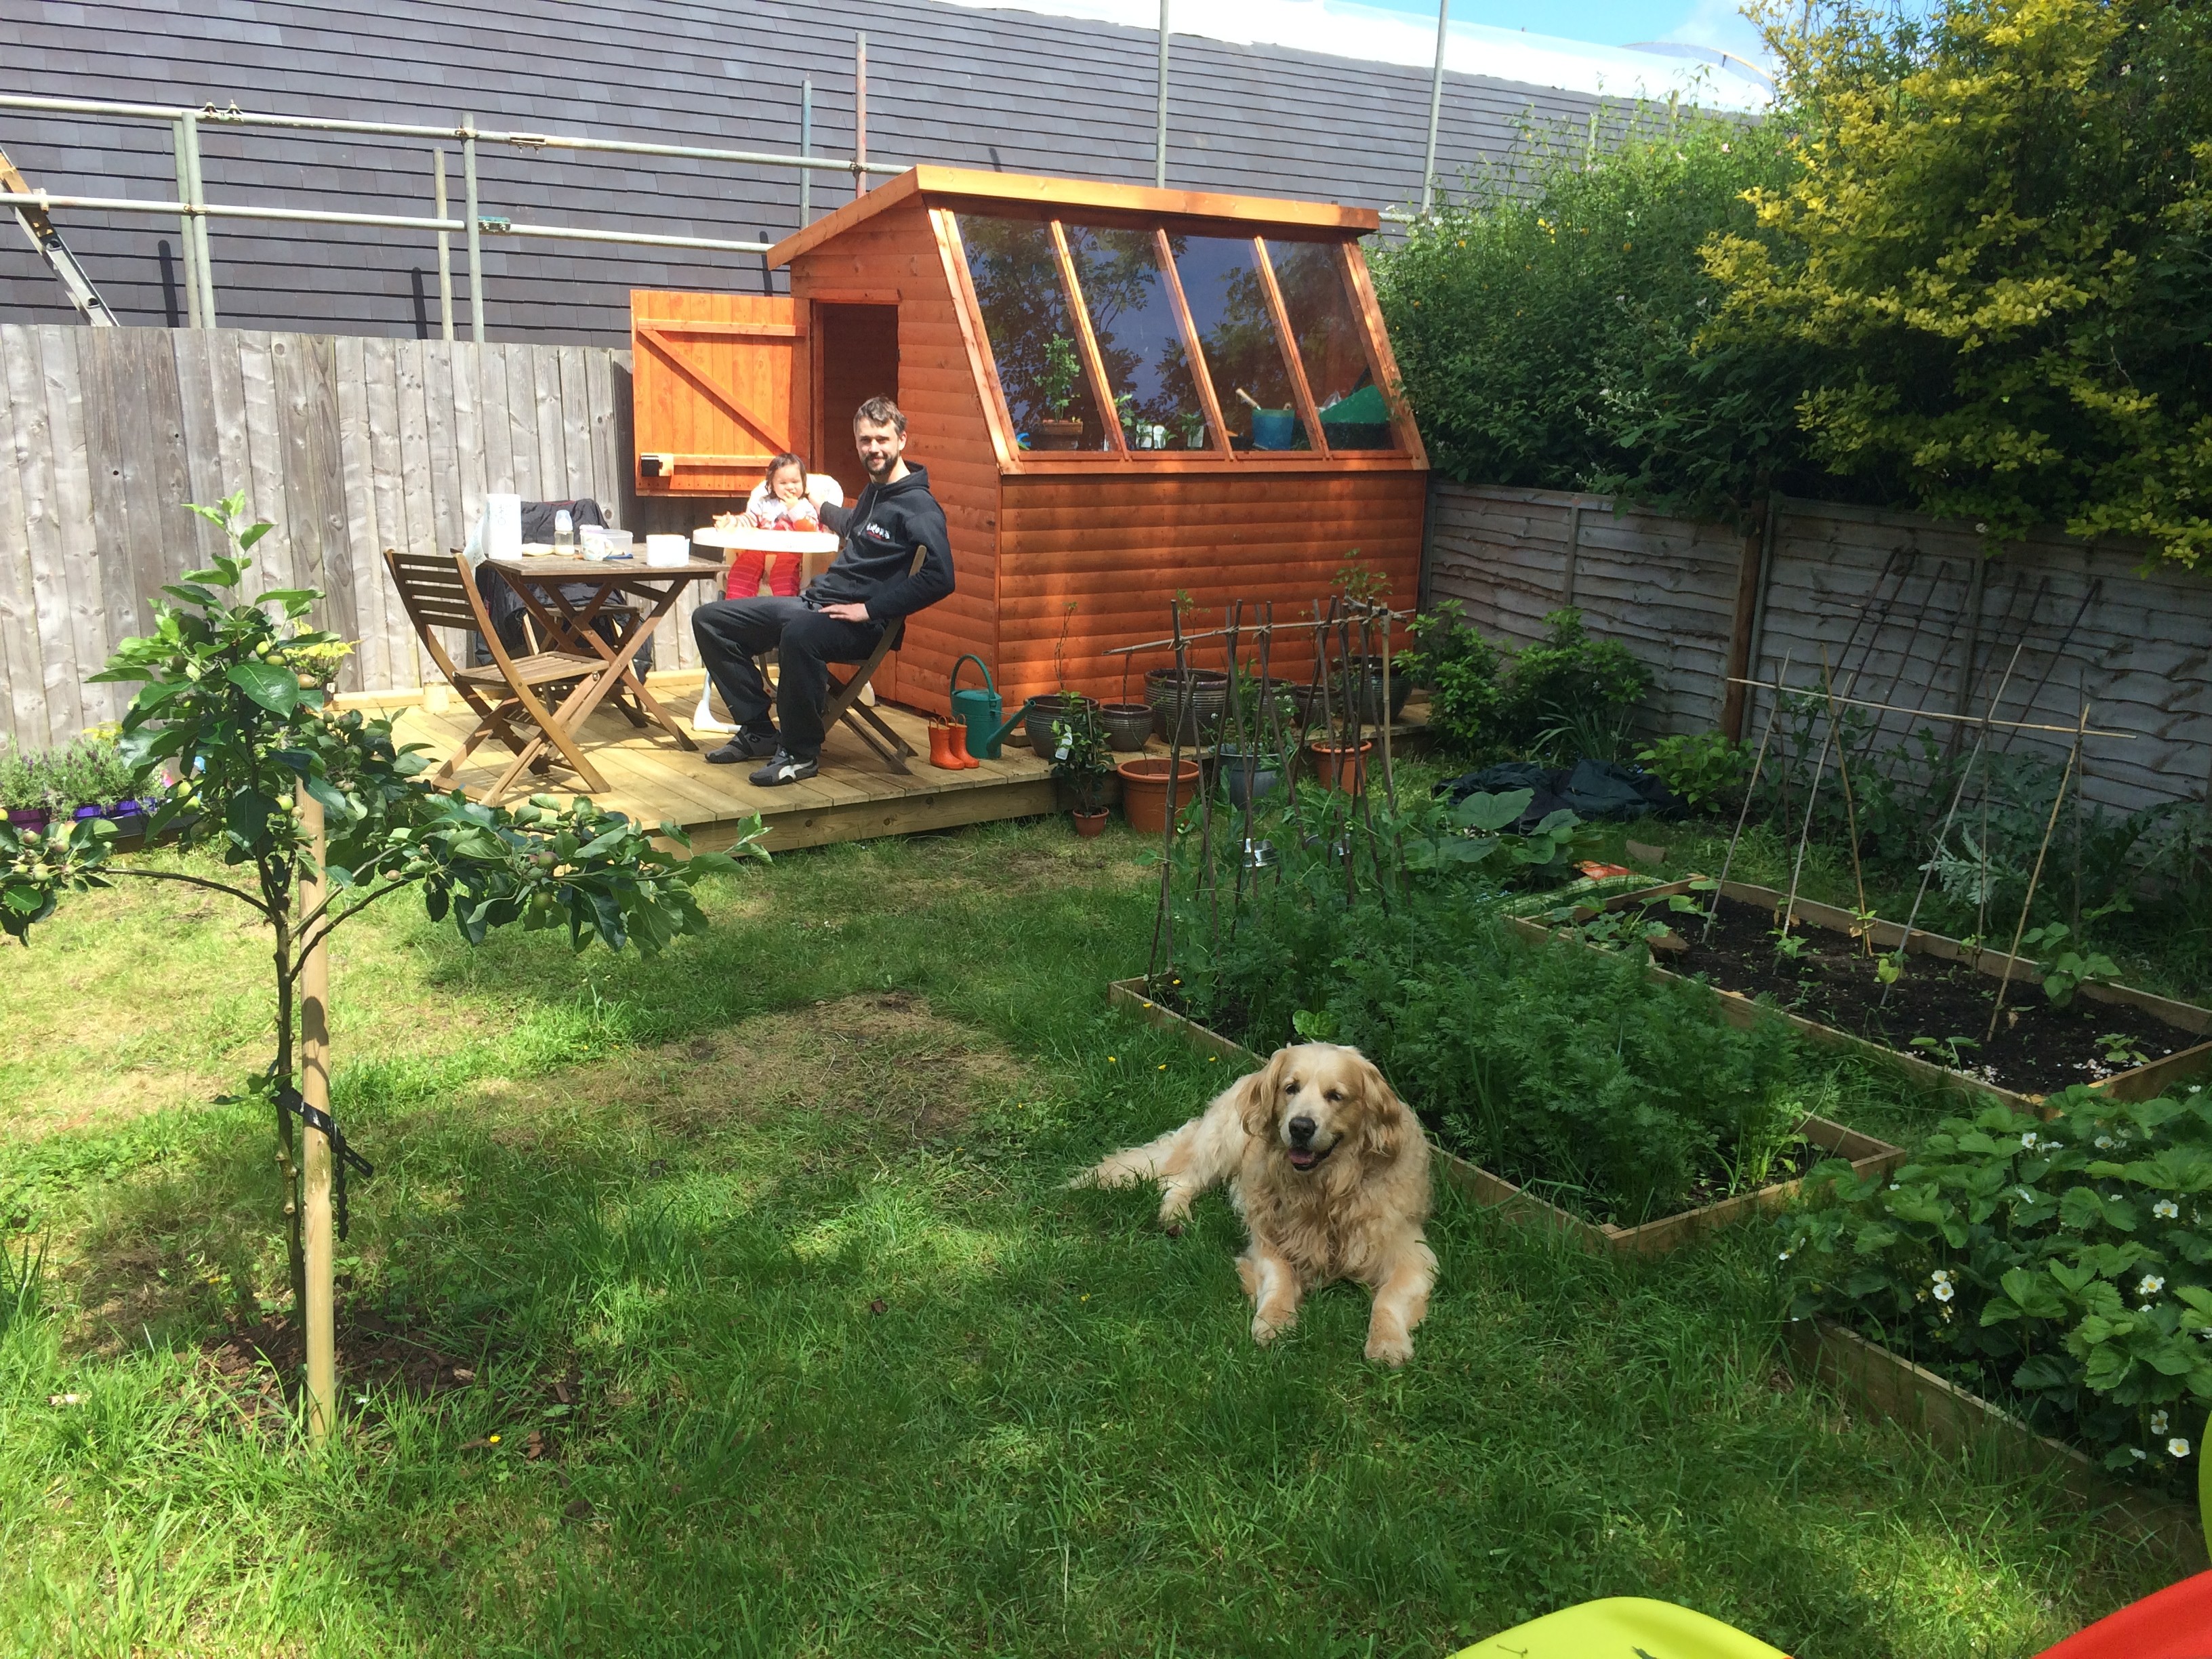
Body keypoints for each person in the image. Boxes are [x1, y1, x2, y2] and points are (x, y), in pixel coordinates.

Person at [691, 396, 954, 786]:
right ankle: (759, 731)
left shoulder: (918, 507)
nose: (873, 449)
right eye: (865, 440)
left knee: (800, 635)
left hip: (862, 623)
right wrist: (816, 501)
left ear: (902, 440)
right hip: (815, 604)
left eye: (882, 439)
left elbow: (941, 576)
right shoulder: (874, 493)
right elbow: (852, 524)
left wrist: (870, 610)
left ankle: (798, 754)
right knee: (711, 620)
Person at [717, 451, 821, 600]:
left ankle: (783, 607)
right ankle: (736, 605)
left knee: (783, 573)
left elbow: (812, 530)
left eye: (795, 482)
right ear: (772, 484)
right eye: (783, 483)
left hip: (790, 551)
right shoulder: (764, 503)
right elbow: (750, 519)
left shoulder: (805, 506)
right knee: (744, 567)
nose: (790, 487)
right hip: (762, 549)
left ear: (803, 483)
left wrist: (795, 510)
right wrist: (732, 522)